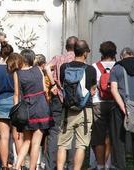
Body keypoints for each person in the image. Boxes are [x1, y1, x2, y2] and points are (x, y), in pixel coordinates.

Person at [57, 40, 96, 170]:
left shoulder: (64, 67)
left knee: (62, 144)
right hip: (85, 110)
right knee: (81, 145)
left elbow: (63, 84)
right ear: (85, 53)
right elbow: (92, 90)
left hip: (67, 110)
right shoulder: (90, 69)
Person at [13, 49, 53, 170]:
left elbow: (16, 94)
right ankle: (32, 168)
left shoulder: (17, 73)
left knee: (27, 141)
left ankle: (17, 165)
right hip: (41, 106)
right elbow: (45, 90)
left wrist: (16, 113)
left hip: (27, 108)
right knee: (36, 143)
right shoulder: (38, 70)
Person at [44, 36, 77, 170]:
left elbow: (46, 67)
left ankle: (50, 165)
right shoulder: (77, 59)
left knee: (54, 131)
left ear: (66, 47)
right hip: (74, 98)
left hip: (58, 96)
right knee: (72, 130)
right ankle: (71, 165)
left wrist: (53, 84)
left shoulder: (58, 58)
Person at [90, 41, 117, 170]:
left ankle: (100, 166)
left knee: (98, 136)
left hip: (98, 103)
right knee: (109, 135)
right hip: (114, 103)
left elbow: (91, 87)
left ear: (101, 52)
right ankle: (107, 164)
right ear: (114, 53)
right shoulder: (118, 66)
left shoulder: (94, 67)